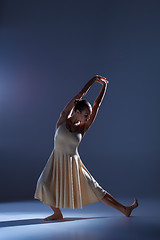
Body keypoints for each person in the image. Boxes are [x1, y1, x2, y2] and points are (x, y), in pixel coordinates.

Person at [34, 75, 138, 221]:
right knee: (43, 184)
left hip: (73, 163)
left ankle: (125, 209)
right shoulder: (63, 118)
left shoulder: (83, 128)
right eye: (86, 115)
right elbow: (79, 95)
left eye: (89, 116)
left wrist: (104, 86)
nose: (88, 118)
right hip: (56, 160)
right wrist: (93, 80)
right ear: (76, 112)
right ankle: (58, 213)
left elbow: (97, 105)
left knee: (96, 190)